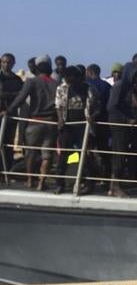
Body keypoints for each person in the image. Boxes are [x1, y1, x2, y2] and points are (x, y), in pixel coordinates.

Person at [3, 55, 58, 190]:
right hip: (51, 123)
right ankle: (41, 182)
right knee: (46, 155)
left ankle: (29, 180)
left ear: (37, 68)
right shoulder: (56, 84)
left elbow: (20, 99)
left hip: (35, 121)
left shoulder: (31, 81)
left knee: (31, 153)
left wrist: (8, 111)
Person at [54, 66, 99, 195]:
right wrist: (60, 119)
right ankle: (60, 184)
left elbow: (98, 106)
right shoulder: (61, 88)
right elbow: (58, 105)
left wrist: (92, 117)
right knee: (64, 155)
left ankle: (89, 183)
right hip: (67, 126)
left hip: (83, 125)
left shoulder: (88, 88)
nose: (69, 82)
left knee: (84, 155)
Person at [0, 53, 24, 177]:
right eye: (4, 62)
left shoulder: (17, 79)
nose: (6, 64)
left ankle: (6, 171)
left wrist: (10, 95)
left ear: (13, 63)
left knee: (8, 145)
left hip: (11, 116)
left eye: (8, 62)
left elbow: (22, 96)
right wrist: (14, 95)